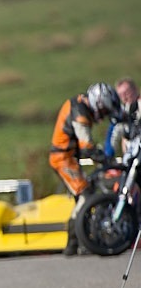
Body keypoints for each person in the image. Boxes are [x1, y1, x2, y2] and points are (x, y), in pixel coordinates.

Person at [49, 82, 121, 256]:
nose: (103, 116)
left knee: (84, 195)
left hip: (68, 157)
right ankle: (75, 243)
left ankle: (77, 243)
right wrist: (106, 159)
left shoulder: (79, 104)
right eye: (104, 111)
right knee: (86, 195)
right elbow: (87, 146)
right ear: (98, 103)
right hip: (63, 158)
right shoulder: (80, 112)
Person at [106, 77, 140, 158]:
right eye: (121, 95)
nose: (124, 98)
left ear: (135, 89)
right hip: (130, 157)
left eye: (127, 93)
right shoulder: (122, 112)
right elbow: (114, 134)